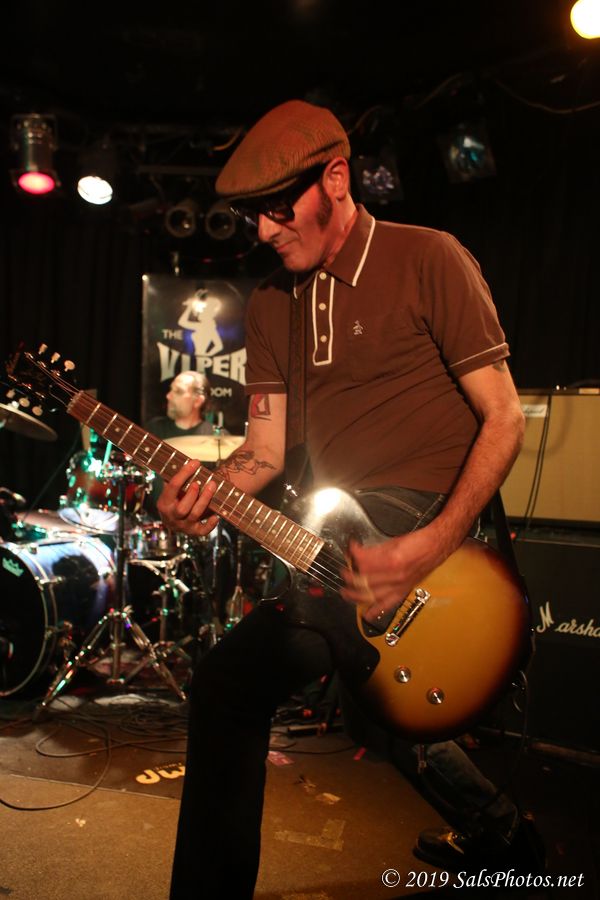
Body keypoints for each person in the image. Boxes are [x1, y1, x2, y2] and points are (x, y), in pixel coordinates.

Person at [157, 100, 543, 899]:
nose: (265, 230)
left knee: (316, 691)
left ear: (336, 179)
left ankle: (504, 836)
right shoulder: (271, 303)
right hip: (336, 533)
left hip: (430, 522)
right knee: (344, 698)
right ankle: (505, 834)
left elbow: (504, 418)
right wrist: (204, 493)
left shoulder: (429, 258)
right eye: (253, 215)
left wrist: (430, 544)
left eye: (277, 208)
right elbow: (264, 452)